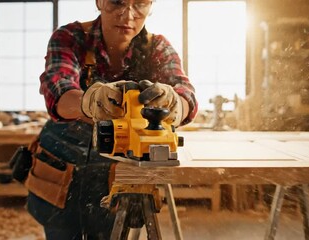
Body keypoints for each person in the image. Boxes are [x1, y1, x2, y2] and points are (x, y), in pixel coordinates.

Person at [25, 0, 198, 239]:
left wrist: (174, 103)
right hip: (62, 163)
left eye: (140, 4)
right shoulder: (70, 37)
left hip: (119, 172)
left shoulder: (157, 47)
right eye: (117, 2)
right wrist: (89, 101)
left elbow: (186, 94)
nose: (127, 15)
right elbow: (58, 94)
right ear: (99, 2)